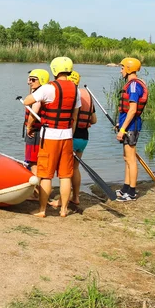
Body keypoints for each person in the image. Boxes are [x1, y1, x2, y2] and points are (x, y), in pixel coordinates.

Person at [23, 57, 81, 218]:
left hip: (49, 136)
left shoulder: (48, 88)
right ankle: (63, 210)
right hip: (67, 135)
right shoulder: (75, 90)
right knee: (65, 175)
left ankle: (42, 210)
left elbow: (27, 101)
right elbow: (74, 116)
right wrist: (70, 132)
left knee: (46, 175)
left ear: (55, 70)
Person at [49, 70, 97, 208]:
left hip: (71, 136)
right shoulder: (86, 95)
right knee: (75, 168)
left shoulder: (70, 95)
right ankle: (76, 197)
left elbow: (72, 118)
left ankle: (62, 200)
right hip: (84, 138)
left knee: (65, 170)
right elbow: (94, 120)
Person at [116, 57, 148, 202]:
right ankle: (125, 188)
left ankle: (132, 192)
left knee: (131, 159)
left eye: (122, 67)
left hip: (131, 126)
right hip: (127, 125)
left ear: (129, 69)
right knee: (126, 158)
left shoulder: (134, 85)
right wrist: (120, 124)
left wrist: (122, 129)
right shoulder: (131, 84)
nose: (121, 70)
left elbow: (133, 109)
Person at [23, 69, 50, 186]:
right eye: (29, 79)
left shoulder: (38, 97)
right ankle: (39, 189)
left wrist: (29, 127)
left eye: (33, 79)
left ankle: (35, 191)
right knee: (39, 162)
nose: (29, 82)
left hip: (35, 133)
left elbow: (34, 112)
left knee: (33, 162)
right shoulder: (43, 93)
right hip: (42, 133)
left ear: (42, 81)